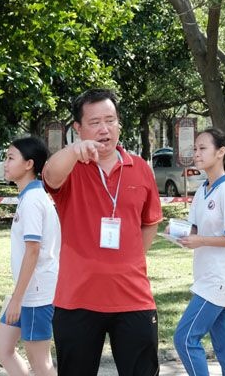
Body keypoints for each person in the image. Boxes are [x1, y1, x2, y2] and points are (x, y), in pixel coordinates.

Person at [42, 89, 163, 375]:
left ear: (119, 124)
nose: (104, 129)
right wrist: (75, 151)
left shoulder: (140, 168)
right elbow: (50, 176)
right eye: (94, 122)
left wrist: (127, 260)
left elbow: (150, 222)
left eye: (110, 120)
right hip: (77, 299)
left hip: (133, 297)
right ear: (78, 128)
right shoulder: (71, 167)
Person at [172, 128, 225, 376]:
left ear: (221, 152)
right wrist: (176, 232)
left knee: (185, 338)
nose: (197, 153)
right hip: (208, 277)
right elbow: (195, 229)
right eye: (195, 149)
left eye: (203, 148)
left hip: (220, 279)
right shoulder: (203, 190)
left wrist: (202, 240)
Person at [0, 137, 60, 376]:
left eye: (11, 158)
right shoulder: (29, 197)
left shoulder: (32, 200)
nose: (5, 163)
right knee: (1, 347)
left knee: (40, 363)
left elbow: (33, 250)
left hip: (36, 294)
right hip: (27, 291)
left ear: (29, 164)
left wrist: (17, 299)